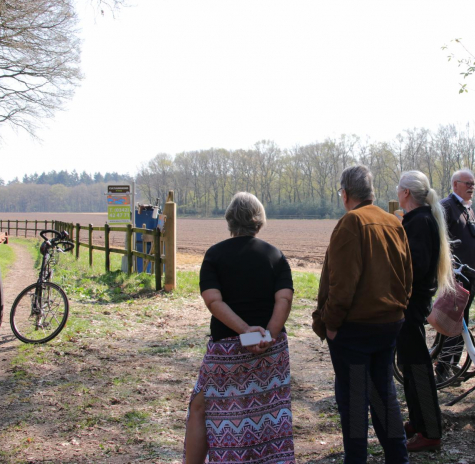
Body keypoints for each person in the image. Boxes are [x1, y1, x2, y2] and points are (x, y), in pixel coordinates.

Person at [184, 192, 295, 464]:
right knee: (267, 412)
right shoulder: (275, 255)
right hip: (271, 350)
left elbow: (213, 300)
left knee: (201, 407)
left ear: (229, 221)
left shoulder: (214, 255)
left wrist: (247, 331)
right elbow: (284, 298)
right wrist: (267, 334)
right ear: (259, 221)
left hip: (226, 351)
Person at [312, 165, 413, 464]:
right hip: (390, 322)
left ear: (345, 193)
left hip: (355, 330)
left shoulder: (350, 223)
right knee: (385, 396)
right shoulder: (393, 222)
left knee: (354, 402)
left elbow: (341, 284)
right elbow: (408, 277)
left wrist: (330, 324)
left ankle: (355, 460)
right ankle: (399, 458)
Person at [395, 171, 455, 452]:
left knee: (418, 368)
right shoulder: (421, 219)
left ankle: (430, 431)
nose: (396, 192)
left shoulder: (418, 222)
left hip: (411, 305)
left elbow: (415, 269)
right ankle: (419, 421)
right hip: (413, 304)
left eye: (398, 188)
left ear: (406, 193)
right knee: (409, 364)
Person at [440, 169, 475, 367]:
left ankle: (452, 363)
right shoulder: (446, 207)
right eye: (468, 183)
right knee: (452, 320)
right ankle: (443, 364)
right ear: (455, 184)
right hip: (456, 275)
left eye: (473, 184)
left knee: (462, 320)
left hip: (471, 274)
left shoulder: (468, 208)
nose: (471, 187)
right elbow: (441, 241)